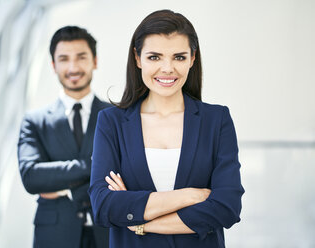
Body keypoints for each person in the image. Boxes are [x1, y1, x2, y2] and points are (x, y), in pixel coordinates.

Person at [88, 10, 244, 247]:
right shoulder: (112, 122)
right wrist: (190, 196)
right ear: (138, 58)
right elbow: (104, 206)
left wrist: (140, 222)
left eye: (179, 57)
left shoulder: (216, 119)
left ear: (193, 58)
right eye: (155, 57)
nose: (168, 68)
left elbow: (226, 207)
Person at [18, 26, 110, 248]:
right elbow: (32, 177)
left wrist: (62, 187)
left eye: (81, 57)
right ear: (53, 65)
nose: (73, 67)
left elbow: (128, 170)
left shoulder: (117, 117)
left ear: (95, 61)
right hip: (55, 236)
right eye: (64, 59)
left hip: (109, 233)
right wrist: (95, 167)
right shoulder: (35, 121)